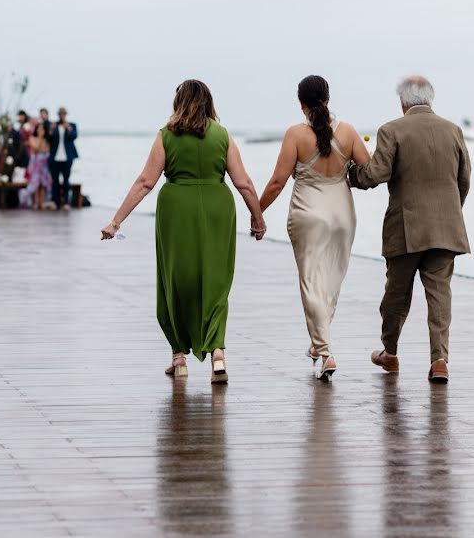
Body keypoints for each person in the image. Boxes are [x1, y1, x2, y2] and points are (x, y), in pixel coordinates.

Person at [100, 80, 266, 384]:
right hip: (217, 207)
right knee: (216, 280)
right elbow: (243, 182)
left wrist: (116, 221)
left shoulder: (166, 136)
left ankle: (179, 357)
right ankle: (217, 354)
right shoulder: (223, 136)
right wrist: (257, 218)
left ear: (178, 102)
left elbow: (145, 182)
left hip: (176, 209)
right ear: (209, 102)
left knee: (174, 279)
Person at [349, 75, 471, 383]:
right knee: (440, 298)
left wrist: (350, 174)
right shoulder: (453, 130)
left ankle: (389, 353)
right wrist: (451, 212)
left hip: (406, 229)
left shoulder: (392, 130)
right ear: (430, 98)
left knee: (396, 295)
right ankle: (440, 360)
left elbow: (376, 174)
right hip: (446, 229)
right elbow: (464, 178)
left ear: (402, 103)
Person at [258, 75, 371, 381]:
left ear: (301, 104)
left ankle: (325, 352)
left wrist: (257, 212)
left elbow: (278, 182)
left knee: (311, 282)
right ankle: (318, 344)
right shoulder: (347, 131)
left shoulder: (295, 134)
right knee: (330, 284)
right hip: (343, 215)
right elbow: (369, 169)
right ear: (328, 100)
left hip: (308, 213)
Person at [48, 107, 78, 210]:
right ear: (58, 115)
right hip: (55, 157)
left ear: (66, 115)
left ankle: (66, 202)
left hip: (67, 157)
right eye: (60, 114)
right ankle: (55, 202)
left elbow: (74, 136)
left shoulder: (72, 125)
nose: (62, 116)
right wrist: (51, 130)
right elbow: (49, 139)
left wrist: (68, 128)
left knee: (66, 180)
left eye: (64, 114)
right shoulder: (54, 125)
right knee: (55, 181)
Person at [21, 119, 51, 210]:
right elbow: (36, 148)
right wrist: (41, 140)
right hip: (35, 164)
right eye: (39, 129)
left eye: (42, 129)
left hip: (44, 163)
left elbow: (47, 150)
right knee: (35, 183)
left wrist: (42, 146)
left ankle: (41, 202)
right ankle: (35, 202)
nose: (40, 131)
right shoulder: (32, 138)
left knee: (43, 183)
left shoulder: (47, 140)